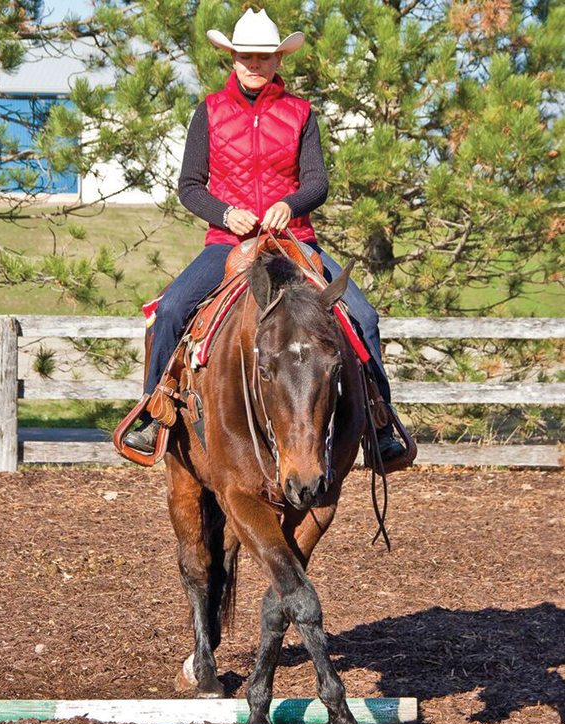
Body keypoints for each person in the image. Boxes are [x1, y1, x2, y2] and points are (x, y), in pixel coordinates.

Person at [125, 8, 406, 462]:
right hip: (229, 244)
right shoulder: (209, 112)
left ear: (278, 61)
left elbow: (317, 182)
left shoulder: (300, 113)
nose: (254, 64)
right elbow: (189, 187)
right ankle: (154, 413)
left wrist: (289, 205)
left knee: (365, 317)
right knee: (174, 308)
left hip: (294, 241)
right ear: (232, 59)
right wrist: (224, 213)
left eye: (263, 57)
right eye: (245, 56)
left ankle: (380, 421)